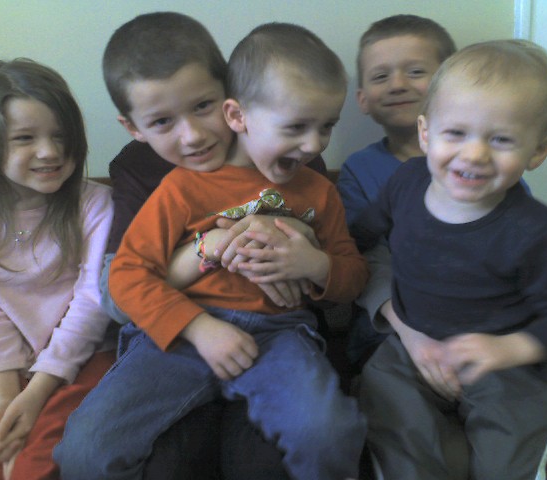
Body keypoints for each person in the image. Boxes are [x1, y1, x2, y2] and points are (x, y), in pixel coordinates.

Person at [54, 22, 368, 480]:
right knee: (86, 449)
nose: (315, 144)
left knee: (329, 432)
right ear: (237, 114)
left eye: (327, 128)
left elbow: (353, 276)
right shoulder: (178, 187)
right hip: (178, 336)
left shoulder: (316, 188)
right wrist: (200, 328)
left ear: (225, 105)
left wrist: (316, 264)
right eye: (299, 128)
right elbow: (125, 277)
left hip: (278, 336)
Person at [352, 39, 547, 479]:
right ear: (426, 133)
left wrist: (509, 349)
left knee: (517, 455)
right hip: (412, 349)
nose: (474, 154)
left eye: (501, 140)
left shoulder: (538, 232)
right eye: (456, 133)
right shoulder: (406, 183)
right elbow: (363, 234)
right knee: (389, 419)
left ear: (538, 150)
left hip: (514, 362)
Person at [0, 59, 114, 480]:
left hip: (81, 357)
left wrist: (36, 393)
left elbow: (92, 303)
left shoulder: (95, 205)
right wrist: (3, 399)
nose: (50, 151)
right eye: (25, 138)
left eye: (60, 135)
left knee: (37, 458)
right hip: (0, 363)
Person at [336, 15, 457, 368]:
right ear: (363, 99)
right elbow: (364, 259)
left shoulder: (483, 164)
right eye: (380, 76)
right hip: (389, 332)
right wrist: (410, 331)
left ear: (453, 85)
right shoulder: (359, 170)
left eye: (415, 72)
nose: (397, 85)